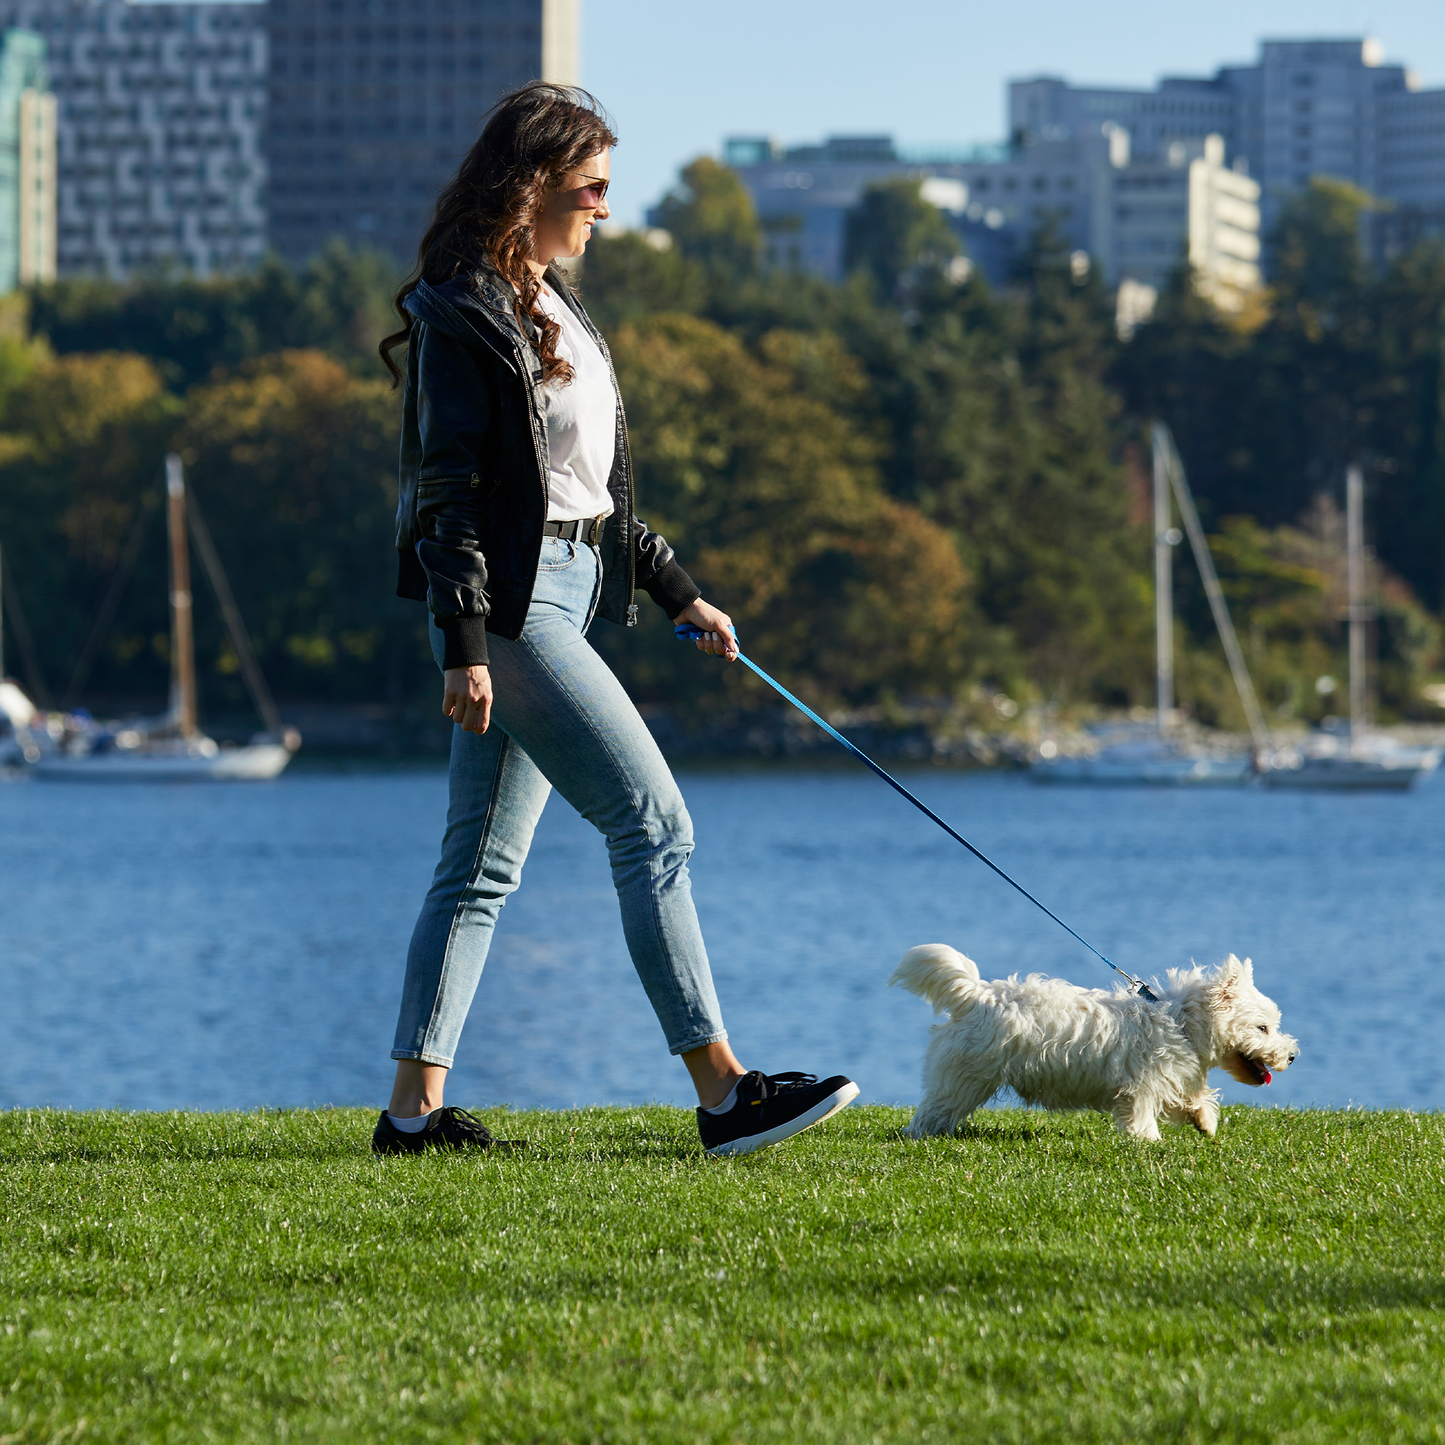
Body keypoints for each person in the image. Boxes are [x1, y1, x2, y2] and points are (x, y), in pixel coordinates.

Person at [374, 82, 858, 1158]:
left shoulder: (555, 305)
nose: (604, 206)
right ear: (531, 183)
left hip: (569, 590)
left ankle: (411, 1115)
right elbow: (449, 492)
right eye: (590, 185)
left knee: (478, 867)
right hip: (508, 609)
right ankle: (725, 1093)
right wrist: (463, 644)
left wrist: (678, 588)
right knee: (653, 822)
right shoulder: (462, 308)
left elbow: (588, 491)